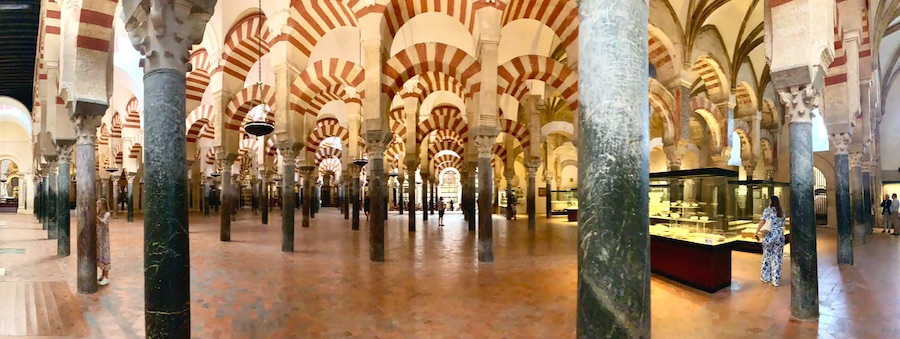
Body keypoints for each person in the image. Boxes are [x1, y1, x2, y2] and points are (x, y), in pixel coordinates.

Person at [754, 196, 786, 287]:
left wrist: (757, 231)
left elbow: (762, 221)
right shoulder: (781, 211)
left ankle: (765, 277)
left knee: (767, 255)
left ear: (771, 201)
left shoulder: (768, 210)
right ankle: (776, 279)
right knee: (777, 257)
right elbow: (783, 224)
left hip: (769, 235)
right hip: (779, 235)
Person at [96, 198, 112, 286]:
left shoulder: (107, 214)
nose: (98, 206)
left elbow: (103, 223)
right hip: (98, 238)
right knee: (100, 256)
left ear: (103, 205)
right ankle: (102, 275)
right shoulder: (99, 213)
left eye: (99, 204)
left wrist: (95, 216)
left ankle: (106, 277)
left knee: (105, 255)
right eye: (97, 204)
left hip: (104, 238)